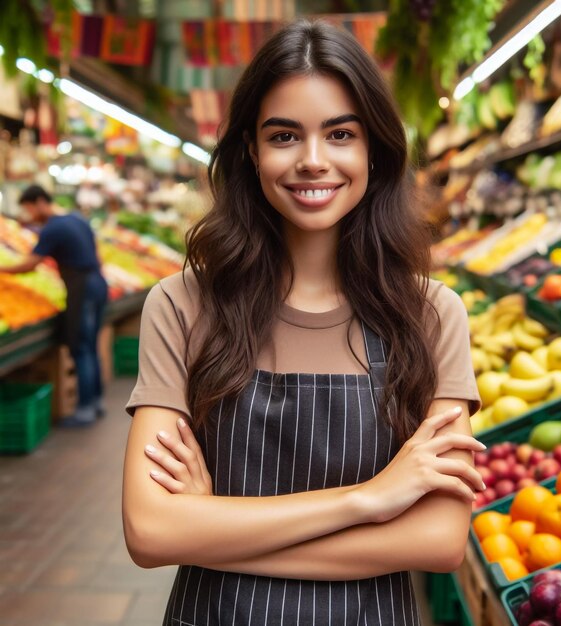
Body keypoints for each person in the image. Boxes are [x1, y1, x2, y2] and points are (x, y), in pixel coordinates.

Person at [122, 19, 484, 625]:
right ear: (250, 151)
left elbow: (438, 541)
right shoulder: (182, 305)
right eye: (284, 135)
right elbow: (151, 531)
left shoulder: (431, 316)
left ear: (374, 149)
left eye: (340, 134)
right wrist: (370, 500)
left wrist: (214, 527)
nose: (313, 161)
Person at [0, 185, 108, 426]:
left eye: (28, 208)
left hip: (82, 288)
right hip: (98, 283)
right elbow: (97, 255)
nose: (28, 214)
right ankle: (96, 402)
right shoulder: (76, 219)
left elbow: (30, 265)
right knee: (90, 346)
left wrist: (2, 270)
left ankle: (85, 410)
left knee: (80, 348)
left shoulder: (52, 229)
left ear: (39, 202)